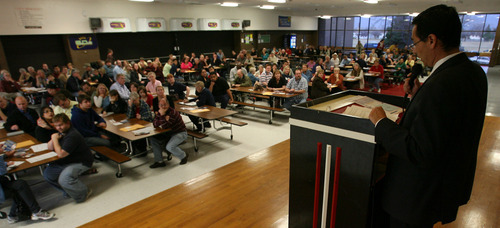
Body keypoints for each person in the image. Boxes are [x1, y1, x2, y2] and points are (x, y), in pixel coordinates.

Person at [368, 5, 488, 227]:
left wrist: (381, 123)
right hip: (446, 186)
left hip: (416, 196)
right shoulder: (474, 72)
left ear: (432, 40)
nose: (414, 51)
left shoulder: (442, 84)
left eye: (415, 43)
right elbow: (448, 124)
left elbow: (419, 149)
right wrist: (418, 96)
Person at [44, 113, 93, 203]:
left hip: (81, 162)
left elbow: (61, 154)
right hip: (66, 161)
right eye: (56, 126)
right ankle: (69, 191)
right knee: (48, 175)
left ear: (68, 123)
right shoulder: (61, 133)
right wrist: (53, 138)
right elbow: (50, 147)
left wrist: (55, 139)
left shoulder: (72, 135)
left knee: (64, 179)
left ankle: (83, 193)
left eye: (61, 125)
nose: (59, 128)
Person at [0, 148, 55, 224]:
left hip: (3, 181)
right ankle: (36, 212)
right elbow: (2, 172)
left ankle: (14, 215)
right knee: (20, 186)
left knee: (20, 185)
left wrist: (5, 162)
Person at [149, 98, 189, 168]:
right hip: (169, 133)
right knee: (153, 139)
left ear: (168, 104)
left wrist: (162, 116)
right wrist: (163, 118)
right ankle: (159, 161)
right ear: (159, 106)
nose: (163, 106)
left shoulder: (173, 112)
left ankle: (183, 156)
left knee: (169, 147)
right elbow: (155, 123)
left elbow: (165, 126)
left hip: (180, 132)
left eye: (165, 105)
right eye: (161, 105)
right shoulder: (160, 112)